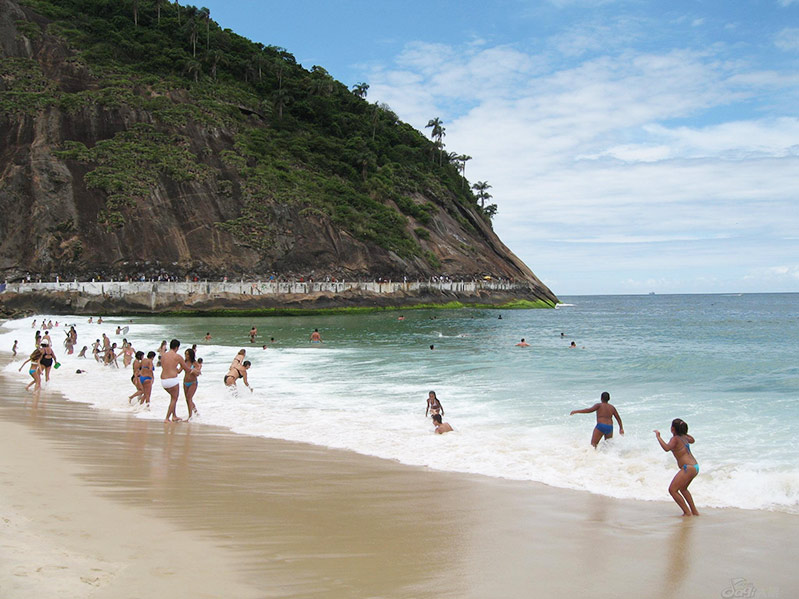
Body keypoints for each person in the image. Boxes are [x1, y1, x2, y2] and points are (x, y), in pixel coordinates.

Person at [654, 419, 700, 517]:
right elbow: (693, 440)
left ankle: (687, 512)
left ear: (673, 429)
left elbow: (666, 448)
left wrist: (658, 437)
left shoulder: (675, 439)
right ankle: (694, 512)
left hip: (688, 468)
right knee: (683, 489)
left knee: (672, 490)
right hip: (695, 467)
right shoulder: (685, 437)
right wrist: (683, 432)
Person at [161, 339, 189, 422]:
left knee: (172, 397)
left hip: (163, 380)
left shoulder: (163, 355)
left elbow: (172, 368)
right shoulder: (178, 356)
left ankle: (174, 415)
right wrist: (194, 371)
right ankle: (167, 418)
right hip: (172, 380)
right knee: (174, 399)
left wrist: (179, 368)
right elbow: (186, 369)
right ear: (177, 347)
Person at [183, 348, 201, 419]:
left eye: (187, 354)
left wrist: (194, 371)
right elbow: (179, 371)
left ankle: (190, 416)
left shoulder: (195, 363)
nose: (186, 356)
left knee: (189, 398)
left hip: (193, 382)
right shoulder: (184, 362)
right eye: (185, 354)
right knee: (187, 399)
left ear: (191, 355)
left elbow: (198, 373)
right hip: (185, 382)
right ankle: (196, 412)